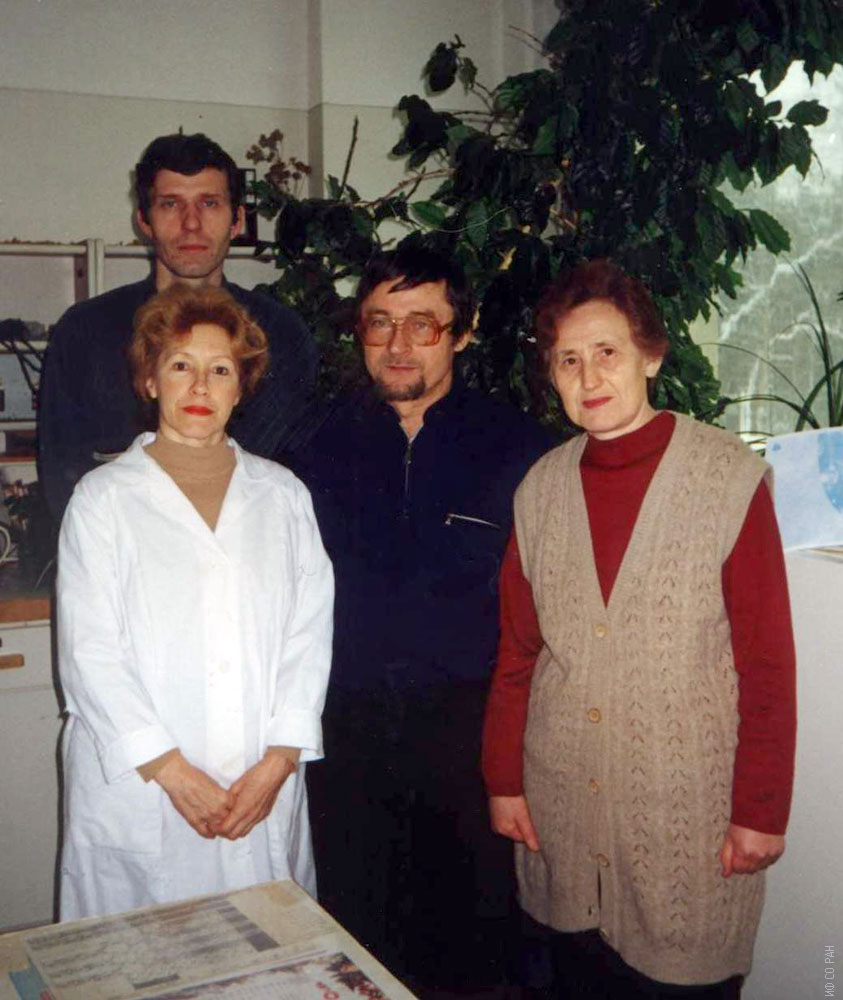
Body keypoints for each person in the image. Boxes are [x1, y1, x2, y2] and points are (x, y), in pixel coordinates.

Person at [482, 259, 797, 999]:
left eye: (607, 352)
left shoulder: (726, 478)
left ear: (650, 356)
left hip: (684, 817)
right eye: (567, 359)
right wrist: (503, 781)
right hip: (559, 805)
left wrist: (760, 811)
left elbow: (766, 663)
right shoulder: (540, 489)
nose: (588, 376)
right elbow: (517, 653)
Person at [297, 245, 552, 997]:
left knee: (473, 953)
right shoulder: (312, 448)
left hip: (469, 747)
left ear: (462, 334)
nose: (398, 344)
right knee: (354, 949)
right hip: (346, 743)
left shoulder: (522, 452)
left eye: (423, 324)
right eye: (380, 323)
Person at [56, 284, 333, 920]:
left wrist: (280, 760)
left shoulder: (284, 496)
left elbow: (310, 634)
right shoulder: (102, 500)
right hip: (145, 786)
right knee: (144, 955)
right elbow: (89, 652)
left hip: (261, 780)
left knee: (268, 950)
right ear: (150, 381)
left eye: (221, 370)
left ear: (241, 388)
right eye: (181, 365)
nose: (201, 386)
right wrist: (173, 772)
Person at [38, 131, 317, 522]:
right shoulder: (84, 333)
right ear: (144, 220)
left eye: (209, 203)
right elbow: (61, 481)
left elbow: (292, 479)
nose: (191, 223)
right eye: (171, 204)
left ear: (237, 220)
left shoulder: (281, 335)